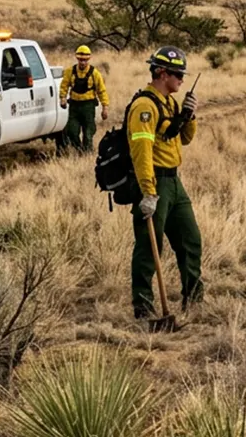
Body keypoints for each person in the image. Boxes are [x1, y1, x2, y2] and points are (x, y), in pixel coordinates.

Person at [126, 46, 201, 319]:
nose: (181, 79)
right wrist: (148, 192)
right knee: (149, 246)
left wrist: (189, 115)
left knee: (190, 241)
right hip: (154, 182)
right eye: (177, 74)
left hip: (174, 182)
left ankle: (194, 301)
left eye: (182, 74)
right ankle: (143, 308)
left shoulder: (170, 102)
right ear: (161, 72)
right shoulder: (144, 106)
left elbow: (185, 139)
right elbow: (141, 152)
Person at [59, 45, 110, 153]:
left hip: (88, 106)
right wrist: (63, 98)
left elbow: (101, 91)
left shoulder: (95, 73)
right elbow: (64, 86)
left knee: (88, 133)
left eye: (85, 60)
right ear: (77, 59)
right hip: (74, 106)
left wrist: (105, 107)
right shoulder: (70, 71)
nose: (82, 62)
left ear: (88, 59)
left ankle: (87, 153)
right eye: (80, 60)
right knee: (71, 131)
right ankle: (79, 150)